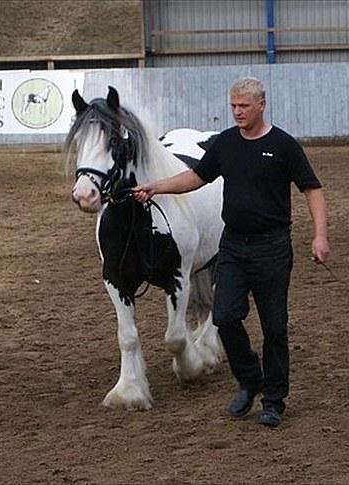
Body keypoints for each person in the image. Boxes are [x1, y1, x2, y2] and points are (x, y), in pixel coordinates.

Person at [133, 77, 329, 428]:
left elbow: (312, 189)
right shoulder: (225, 143)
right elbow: (195, 178)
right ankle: (250, 378)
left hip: (272, 248)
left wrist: (320, 236)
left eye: (244, 106)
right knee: (223, 317)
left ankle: (273, 399)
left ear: (261, 105)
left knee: (274, 327)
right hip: (234, 246)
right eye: (233, 106)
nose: (237, 112)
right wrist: (155, 186)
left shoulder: (283, 145)